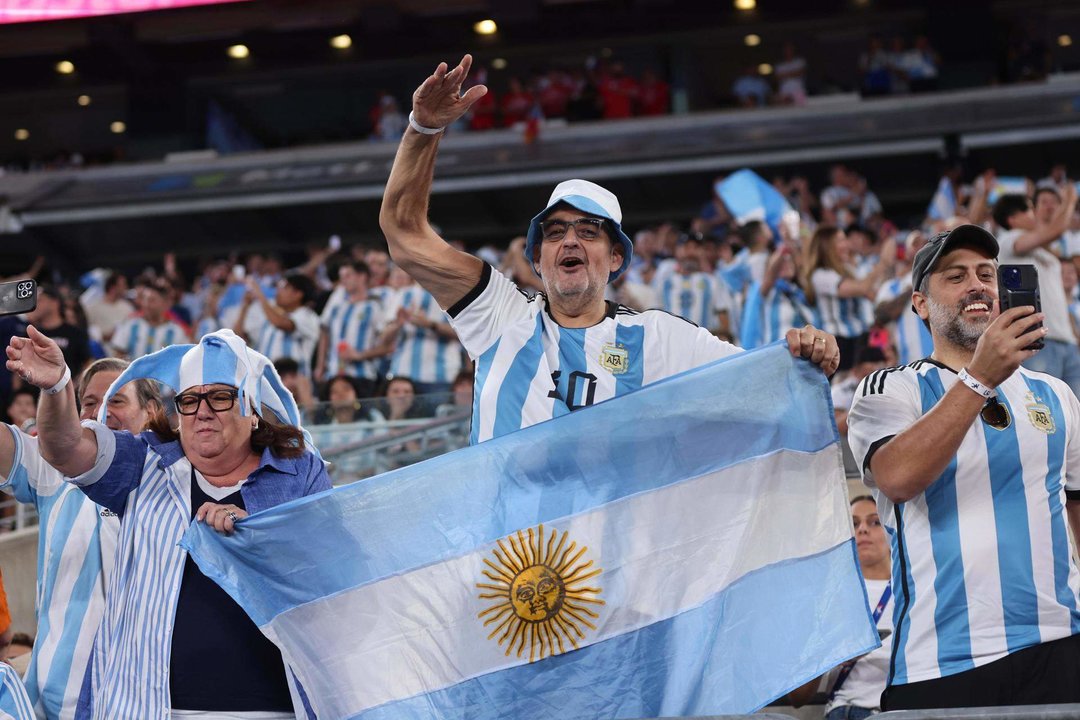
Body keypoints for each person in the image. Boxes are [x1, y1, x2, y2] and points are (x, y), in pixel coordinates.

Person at [378, 54, 839, 444]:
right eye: (555, 233)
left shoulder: (660, 338)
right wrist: (422, 128)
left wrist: (810, 353)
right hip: (510, 553)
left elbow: (769, 385)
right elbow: (405, 234)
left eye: (589, 231)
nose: (571, 240)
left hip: (613, 552)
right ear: (537, 260)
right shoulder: (501, 315)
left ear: (616, 258)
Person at [6, 328, 329, 719]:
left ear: (252, 409)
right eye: (190, 400)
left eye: (220, 397)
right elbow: (65, 446)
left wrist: (259, 534)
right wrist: (58, 387)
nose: (203, 411)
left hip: (274, 709)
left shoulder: (298, 472)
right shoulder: (145, 464)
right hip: (148, 708)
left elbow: (329, 570)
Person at [847, 225, 1080, 710]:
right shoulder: (890, 388)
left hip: (1060, 646)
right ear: (920, 304)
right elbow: (896, 478)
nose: (977, 285)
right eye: (955, 276)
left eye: (986, 274)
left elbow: (1075, 504)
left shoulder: (1055, 394)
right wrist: (979, 378)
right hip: (943, 659)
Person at [0, 357, 161, 720]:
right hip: (58, 701)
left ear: (150, 412)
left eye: (116, 400)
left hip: (142, 700)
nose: (100, 411)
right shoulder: (53, 471)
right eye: (88, 401)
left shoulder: (175, 481)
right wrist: (53, 387)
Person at [788, 496, 893, 719]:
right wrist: (830, 652)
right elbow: (797, 697)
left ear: (891, 530)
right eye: (853, 524)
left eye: (875, 522)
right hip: (844, 711)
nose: (863, 529)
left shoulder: (912, 589)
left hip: (897, 711)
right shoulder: (827, 597)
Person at [993, 188, 1080, 398]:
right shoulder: (1008, 239)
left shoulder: (1041, 247)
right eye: (1030, 209)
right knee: (1044, 412)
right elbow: (1057, 229)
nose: (1034, 214)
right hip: (1039, 341)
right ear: (1013, 218)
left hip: (1065, 341)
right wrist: (1069, 200)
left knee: (1075, 418)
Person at [802, 226, 894, 373]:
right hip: (839, 344)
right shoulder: (820, 275)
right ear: (827, 246)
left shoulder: (848, 270)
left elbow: (871, 294)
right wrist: (882, 262)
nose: (847, 245)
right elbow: (862, 287)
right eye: (840, 240)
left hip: (860, 338)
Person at [315, 260, 391, 398]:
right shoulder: (336, 307)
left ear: (362, 276)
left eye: (348, 275)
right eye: (341, 277)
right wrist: (320, 365)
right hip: (333, 374)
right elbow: (324, 332)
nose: (343, 281)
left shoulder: (375, 307)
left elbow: (387, 346)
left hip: (362, 375)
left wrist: (359, 355)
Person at [235, 271, 321, 381]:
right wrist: (245, 306)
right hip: (266, 384)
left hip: (294, 385)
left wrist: (260, 295)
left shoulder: (308, 316)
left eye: (284, 288)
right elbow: (238, 337)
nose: (278, 292)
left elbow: (280, 323)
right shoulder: (269, 317)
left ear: (298, 294)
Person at [110, 278, 190, 359]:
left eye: (152, 300)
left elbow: (184, 360)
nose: (146, 304)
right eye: (144, 299)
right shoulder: (130, 325)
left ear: (166, 304)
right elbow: (117, 354)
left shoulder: (176, 332)